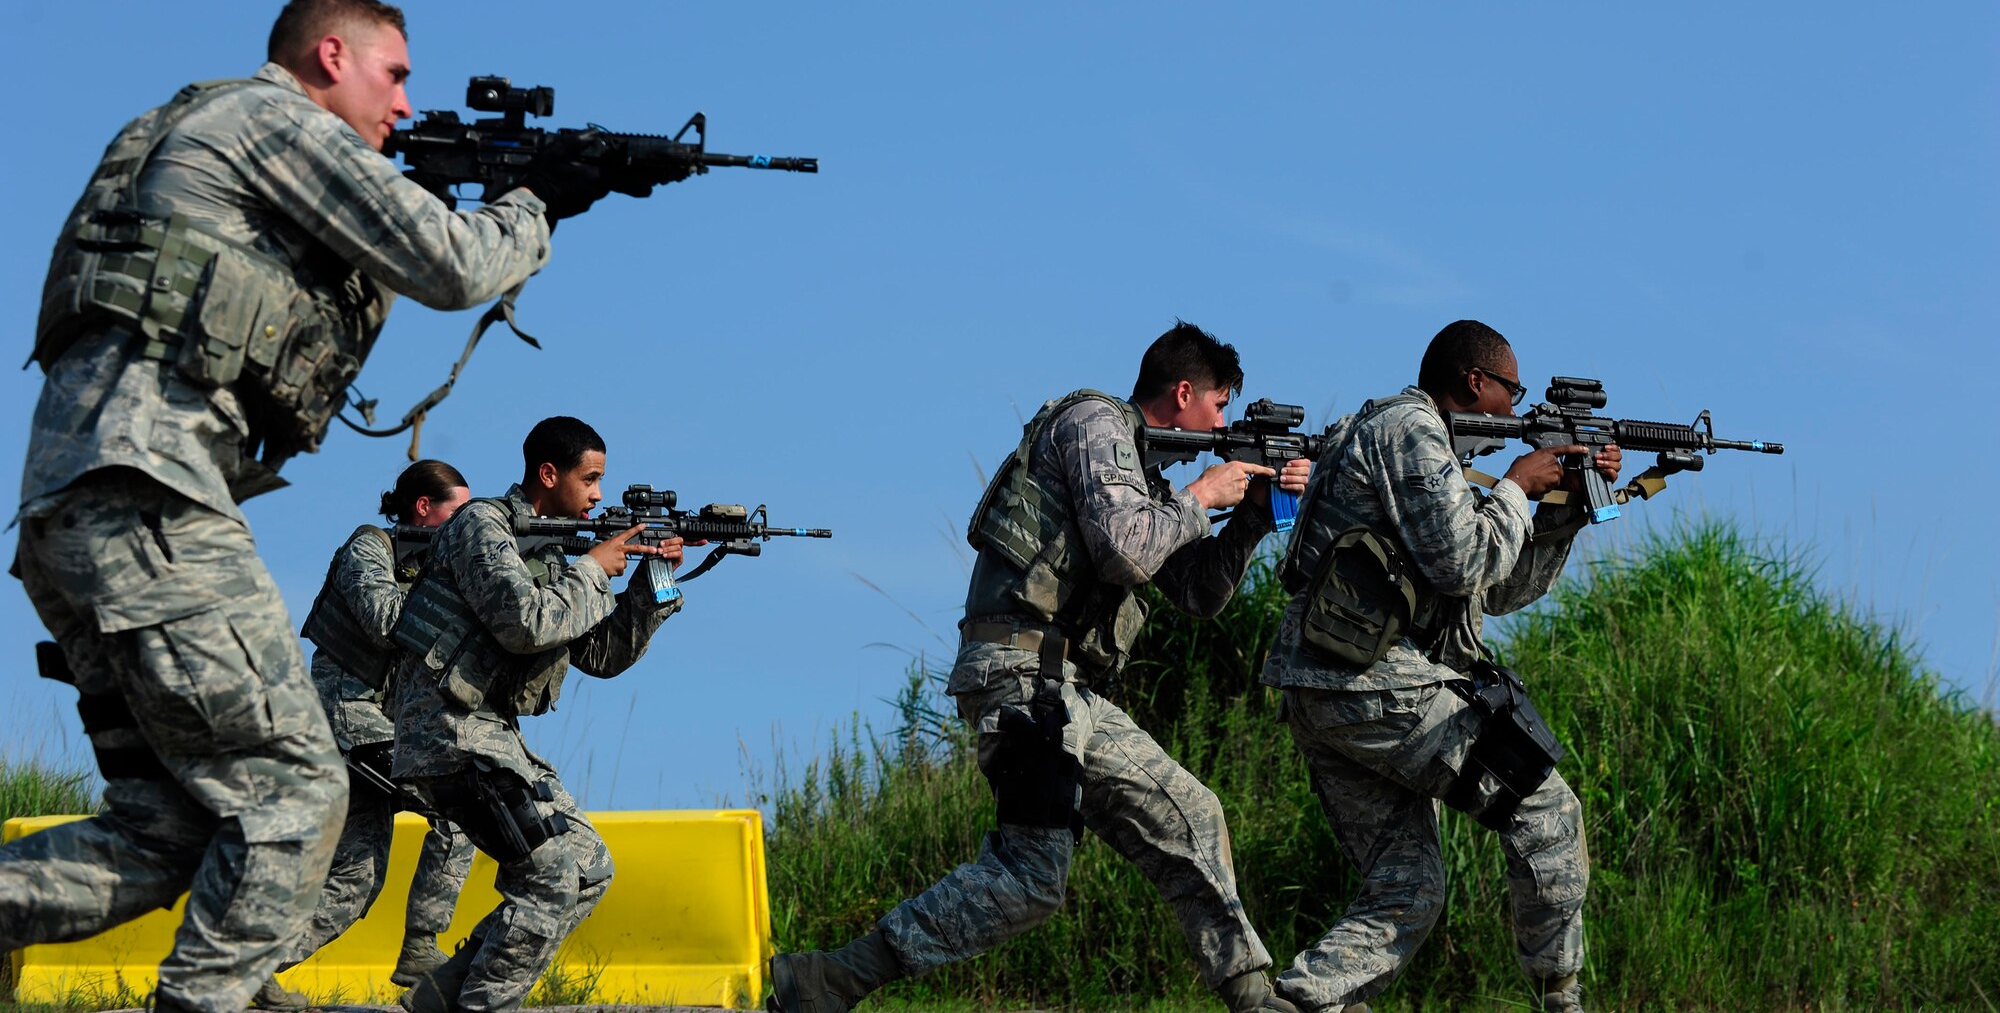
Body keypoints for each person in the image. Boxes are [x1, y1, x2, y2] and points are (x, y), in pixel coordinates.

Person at [0, 0, 618, 1013]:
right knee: (296, 794)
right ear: (331, 56)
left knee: (171, 831)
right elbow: (453, 261)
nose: (406, 110)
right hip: (148, 494)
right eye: (396, 75)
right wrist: (532, 202)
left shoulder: (194, 129)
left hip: (79, 509)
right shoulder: (270, 117)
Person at [769, 322, 1313, 1013]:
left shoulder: (1144, 478)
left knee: (1190, 813)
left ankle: (1254, 998)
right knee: (1031, 877)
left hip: (1069, 692)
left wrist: (1254, 517)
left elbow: (1198, 592)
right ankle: (828, 979)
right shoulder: (1093, 422)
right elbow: (1125, 550)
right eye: (1220, 407)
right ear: (1184, 393)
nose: (1224, 423)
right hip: (1020, 677)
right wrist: (1203, 496)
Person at [1259, 320, 1618, 1013]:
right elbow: (1464, 562)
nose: (1516, 414)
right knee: (1547, 809)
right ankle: (1561, 999)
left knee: (1408, 889)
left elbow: (1496, 587)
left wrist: (1563, 506)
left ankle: (1304, 1004)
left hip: (1332, 686)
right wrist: (1516, 484)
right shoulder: (1412, 431)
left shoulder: (1409, 441)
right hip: (1365, 683)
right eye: (1511, 392)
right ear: (1473, 381)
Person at [387, 416, 681, 1013]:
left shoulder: (554, 548)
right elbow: (527, 624)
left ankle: (438, 1001)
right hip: (446, 735)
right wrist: (595, 567)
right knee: (549, 877)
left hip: (489, 740)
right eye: (590, 479)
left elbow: (598, 654)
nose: (599, 494)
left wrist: (653, 581)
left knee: (589, 867)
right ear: (549, 474)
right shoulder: (482, 524)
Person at [248, 460, 481, 1010]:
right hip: (349, 721)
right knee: (459, 808)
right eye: (457, 513)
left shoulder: (434, 561)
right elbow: (385, 621)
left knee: (356, 877)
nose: (465, 526)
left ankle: (250, 965)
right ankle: (422, 946)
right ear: (422, 508)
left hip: (384, 727)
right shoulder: (369, 548)